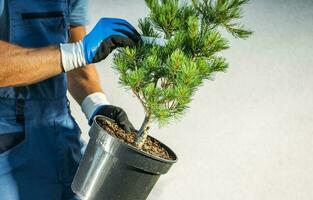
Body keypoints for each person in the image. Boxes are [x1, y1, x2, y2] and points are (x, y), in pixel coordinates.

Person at [0, 0, 140, 199]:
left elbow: (78, 59)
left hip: (61, 129)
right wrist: (78, 52)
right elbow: (76, 52)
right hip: (9, 138)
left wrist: (97, 105)